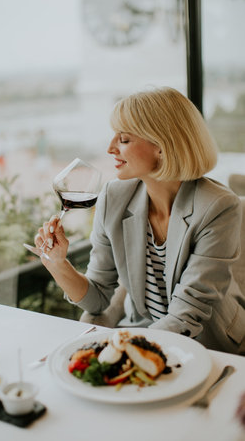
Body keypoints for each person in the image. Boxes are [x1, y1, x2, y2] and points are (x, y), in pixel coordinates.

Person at [34, 87, 245, 355]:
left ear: (161, 146)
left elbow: (188, 313)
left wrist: (122, 353)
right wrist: (57, 264)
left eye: (123, 139)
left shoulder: (218, 206)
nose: (110, 148)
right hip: (140, 333)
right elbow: (98, 299)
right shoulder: (113, 197)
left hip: (205, 346)